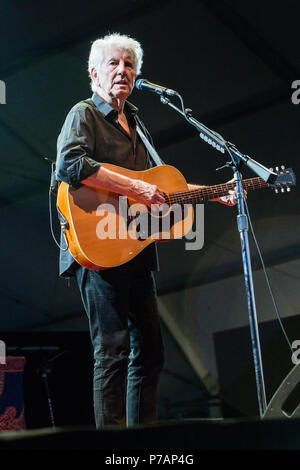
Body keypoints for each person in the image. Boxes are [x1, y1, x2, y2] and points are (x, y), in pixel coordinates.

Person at [55, 33, 237, 428]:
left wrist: (214, 194)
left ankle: (144, 439)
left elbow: (158, 187)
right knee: (112, 350)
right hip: (98, 246)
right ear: (93, 72)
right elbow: (69, 166)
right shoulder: (83, 114)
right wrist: (135, 187)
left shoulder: (136, 122)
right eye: (114, 64)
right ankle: (113, 447)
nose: (123, 71)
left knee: (151, 351)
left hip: (134, 248)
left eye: (130, 65)